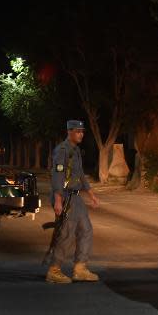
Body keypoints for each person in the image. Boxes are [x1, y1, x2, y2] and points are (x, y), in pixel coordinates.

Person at [46, 119, 101, 284]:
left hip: (76, 197)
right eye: (78, 131)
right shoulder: (62, 150)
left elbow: (81, 174)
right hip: (64, 196)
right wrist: (57, 200)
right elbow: (57, 175)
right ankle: (54, 270)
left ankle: (80, 268)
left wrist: (91, 194)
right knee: (66, 234)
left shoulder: (75, 150)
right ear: (69, 132)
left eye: (82, 131)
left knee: (86, 230)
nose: (81, 134)